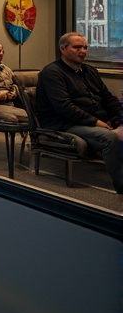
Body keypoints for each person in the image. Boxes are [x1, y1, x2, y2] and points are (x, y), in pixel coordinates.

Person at [36, 32, 123, 197]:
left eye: (85, 47)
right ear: (63, 48)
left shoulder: (89, 71)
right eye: (77, 47)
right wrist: (97, 122)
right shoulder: (52, 73)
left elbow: (107, 98)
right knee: (109, 137)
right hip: (65, 123)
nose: (82, 51)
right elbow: (64, 107)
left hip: (94, 120)